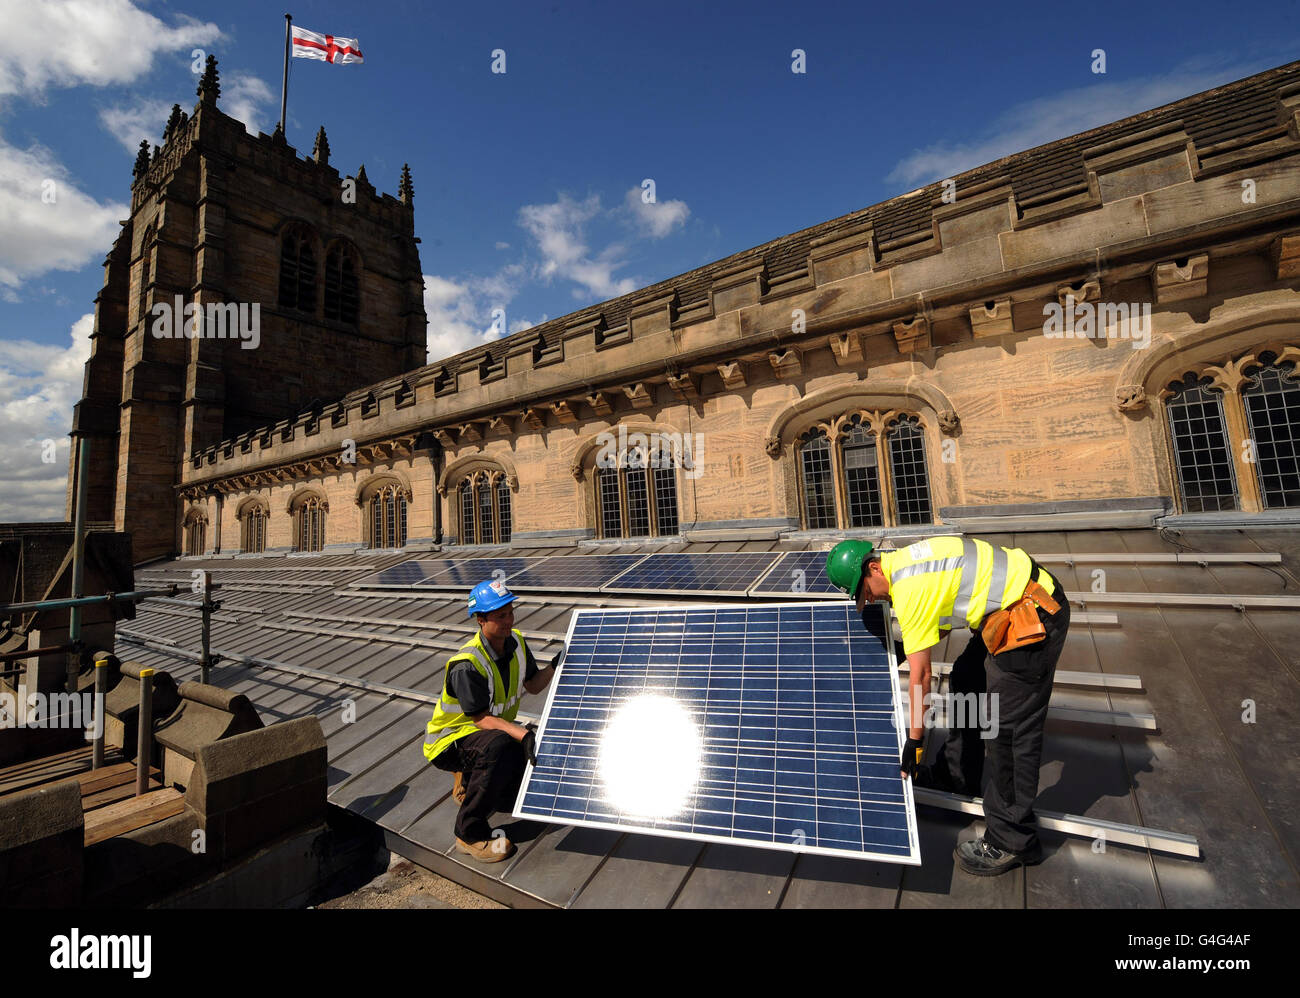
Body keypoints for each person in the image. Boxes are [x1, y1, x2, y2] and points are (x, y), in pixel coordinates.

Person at [826, 536, 1070, 877]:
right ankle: (957, 775)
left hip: (1033, 615)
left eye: (866, 591)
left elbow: (922, 676)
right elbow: (934, 622)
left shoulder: (909, 588)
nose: (870, 599)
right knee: (966, 679)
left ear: (874, 567)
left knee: (1006, 732)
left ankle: (1013, 840)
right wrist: (902, 649)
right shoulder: (907, 566)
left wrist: (915, 743)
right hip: (1005, 609)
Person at [422, 578, 560, 862]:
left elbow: (532, 685)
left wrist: (556, 666)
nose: (509, 620)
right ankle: (469, 834)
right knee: (500, 744)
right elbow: (480, 719)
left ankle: (469, 778)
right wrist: (521, 734)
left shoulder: (517, 643)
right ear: (481, 620)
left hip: (487, 735)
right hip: (449, 743)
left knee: (513, 794)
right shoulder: (467, 664)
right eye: (500, 616)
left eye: (510, 612)